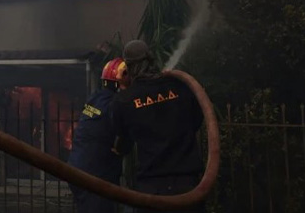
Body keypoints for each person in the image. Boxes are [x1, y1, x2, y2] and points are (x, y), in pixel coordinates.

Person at [112, 40, 205, 213]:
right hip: (189, 187)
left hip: (152, 190)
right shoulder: (180, 85)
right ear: (151, 60)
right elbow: (197, 120)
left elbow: (124, 143)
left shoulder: (123, 100)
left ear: (128, 67)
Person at [67, 57, 133, 213]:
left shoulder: (95, 98)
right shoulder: (115, 105)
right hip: (95, 177)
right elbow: (126, 139)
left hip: (76, 169)